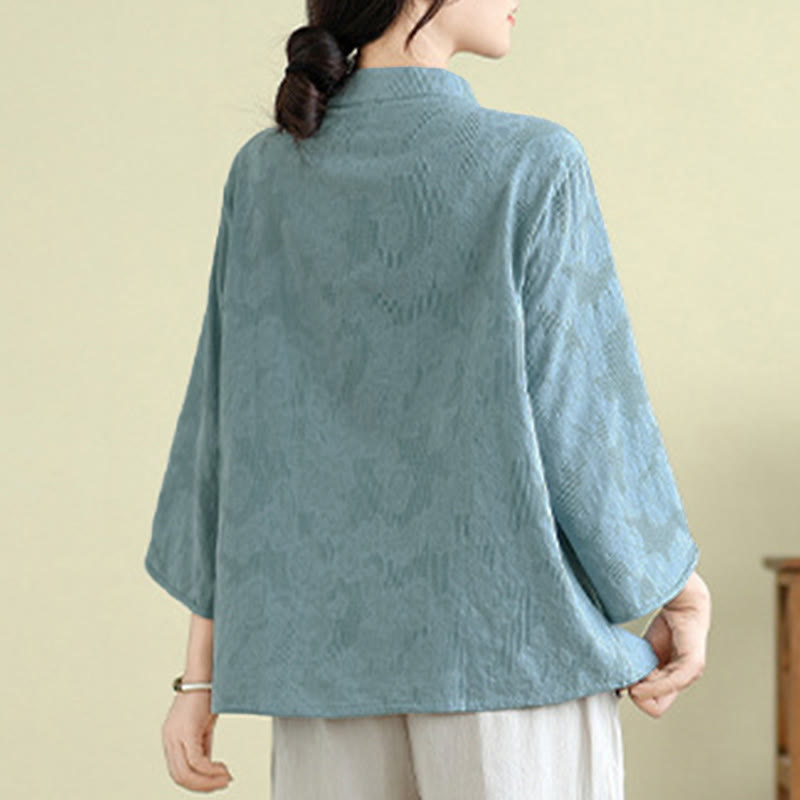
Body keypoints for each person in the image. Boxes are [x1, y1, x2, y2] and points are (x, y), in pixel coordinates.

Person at [144, 0, 712, 796]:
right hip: (510, 663)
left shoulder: (265, 173)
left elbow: (230, 431)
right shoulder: (532, 163)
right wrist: (673, 587)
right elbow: (582, 417)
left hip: (325, 676)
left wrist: (198, 677)